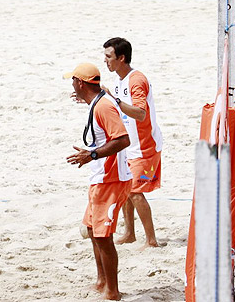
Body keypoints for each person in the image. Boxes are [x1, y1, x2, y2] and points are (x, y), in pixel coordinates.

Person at [66, 63, 131, 301]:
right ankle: (102, 281)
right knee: (93, 231)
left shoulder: (103, 106)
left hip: (110, 179)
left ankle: (112, 291)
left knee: (103, 235)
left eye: (73, 81)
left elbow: (123, 140)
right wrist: (85, 98)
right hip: (100, 177)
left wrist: (91, 154)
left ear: (81, 83)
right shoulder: (97, 102)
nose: (71, 85)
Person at [103, 38, 163, 248]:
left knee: (136, 193)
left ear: (121, 58)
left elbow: (140, 113)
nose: (105, 61)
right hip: (129, 146)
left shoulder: (136, 80)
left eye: (108, 57)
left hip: (145, 146)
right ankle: (130, 233)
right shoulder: (119, 80)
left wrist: (116, 101)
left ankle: (152, 240)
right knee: (126, 190)